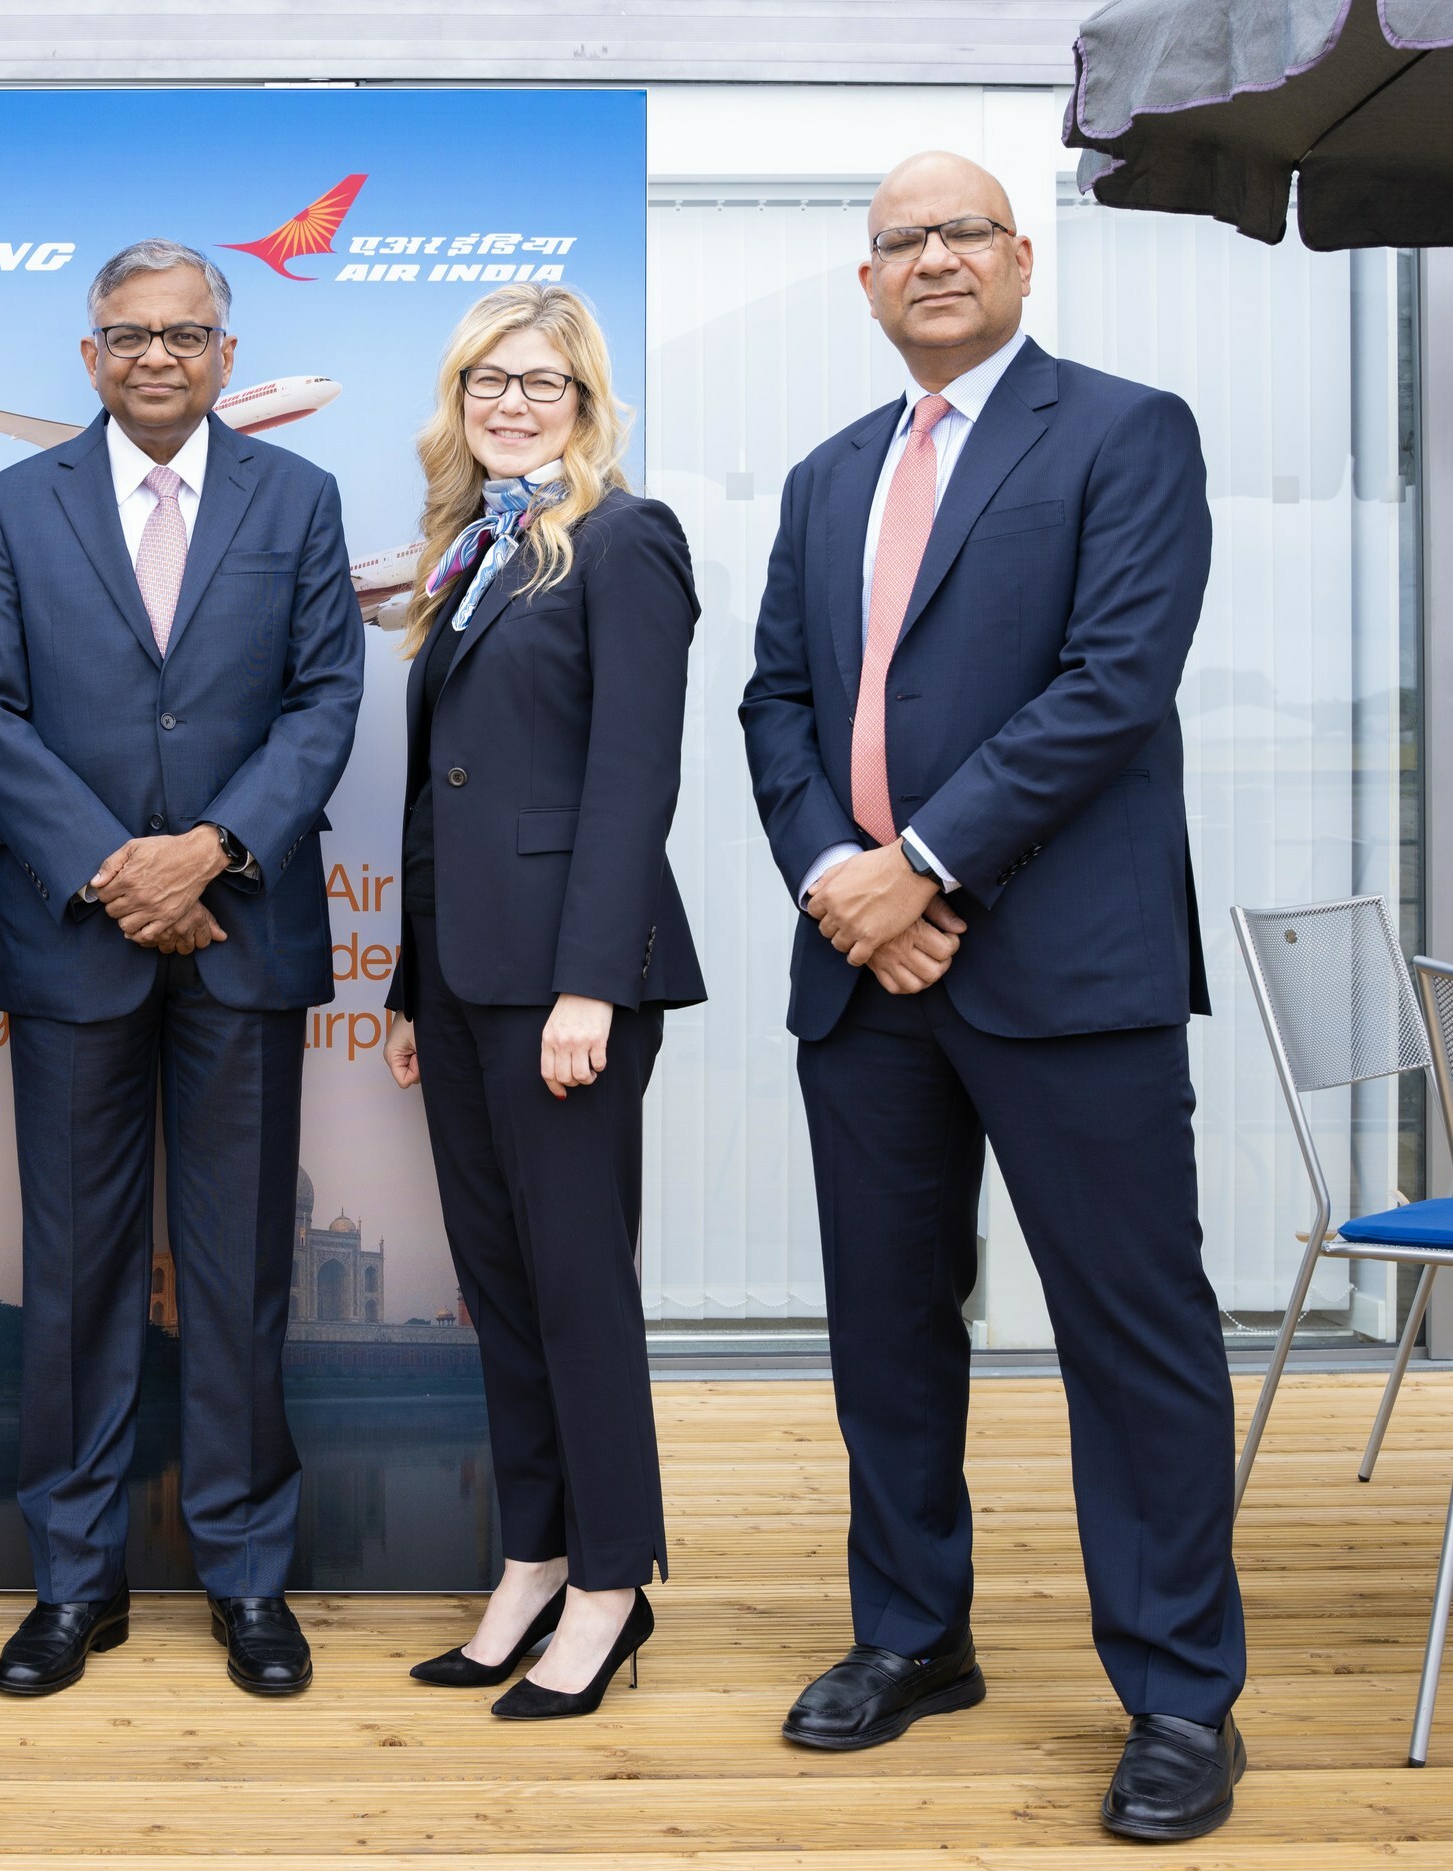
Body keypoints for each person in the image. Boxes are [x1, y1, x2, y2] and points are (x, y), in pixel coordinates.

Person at [737, 151, 1244, 1841]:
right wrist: (844, 881)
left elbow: (1115, 683)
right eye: (902, 240)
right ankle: (913, 1635)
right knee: (886, 1328)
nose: (934, 257)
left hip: (1068, 970)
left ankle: (1180, 1697)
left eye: (964, 231)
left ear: (1023, 257)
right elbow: (777, 706)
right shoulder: (826, 476)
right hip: (863, 974)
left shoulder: (1125, 432)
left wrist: (926, 868)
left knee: (1133, 1335)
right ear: (866, 282)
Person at [0, 240, 363, 1699]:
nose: (157, 357)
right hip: (80, 940)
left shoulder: (298, 499)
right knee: (77, 1273)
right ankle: (75, 1583)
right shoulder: (13, 509)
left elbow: (325, 699)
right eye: (129, 335)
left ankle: (248, 1575)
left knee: (243, 1273)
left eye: (186, 334)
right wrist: (117, 868)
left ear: (226, 355)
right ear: (90, 356)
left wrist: (211, 852)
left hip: (243, 933)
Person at [379, 284, 703, 1720]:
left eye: (541, 383)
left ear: (585, 401)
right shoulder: (475, 551)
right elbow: (438, 795)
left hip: (566, 987)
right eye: (488, 382)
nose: (512, 405)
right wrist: (407, 982)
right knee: (500, 1292)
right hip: (460, 979)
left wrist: (591, 983)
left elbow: (633, 778)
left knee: (578, 1294)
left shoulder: (626, 539)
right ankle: (534, 1559)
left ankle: (612, 1584)